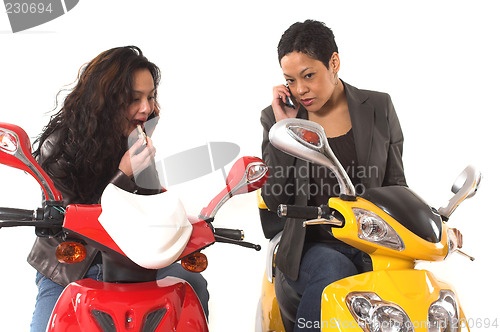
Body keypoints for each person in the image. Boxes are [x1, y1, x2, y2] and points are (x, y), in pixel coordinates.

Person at [27, 46, 209, 332]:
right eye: (133, 99)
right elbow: (72, 219)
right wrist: (123, 174)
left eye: (150, 97)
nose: (146, 108)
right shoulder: (60, 144)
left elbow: (149, 203)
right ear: (106, 100)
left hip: (133, 261)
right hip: (73, 267)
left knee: (193, 285)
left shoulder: (134, 138)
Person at [260, 20, 404, 332]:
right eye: (290, 80)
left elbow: (397, 186)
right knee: (335, 267)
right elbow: (274, 200)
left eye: (308, 75)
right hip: (309, 249)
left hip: (374, 245)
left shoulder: (379, 106)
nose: (300, 90)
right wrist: (284, 128)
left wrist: (435, 222)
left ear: (333, 63)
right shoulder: (275, 117)